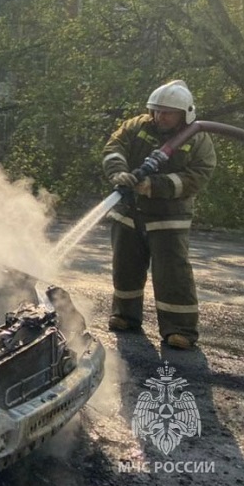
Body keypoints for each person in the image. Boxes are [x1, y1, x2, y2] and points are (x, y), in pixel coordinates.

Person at [102, 80, 216, 350]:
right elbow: (112, 149)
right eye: (156, 110)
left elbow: (197, 176)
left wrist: (154, 186)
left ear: (184, 113)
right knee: (125, 266)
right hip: (128, 213)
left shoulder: (197, 139)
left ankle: (180, 330)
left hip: (168, 217)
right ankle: (125, 316)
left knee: (172, 274)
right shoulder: (136, 127)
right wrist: (118, 172)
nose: (159, 117)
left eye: (167, 112)